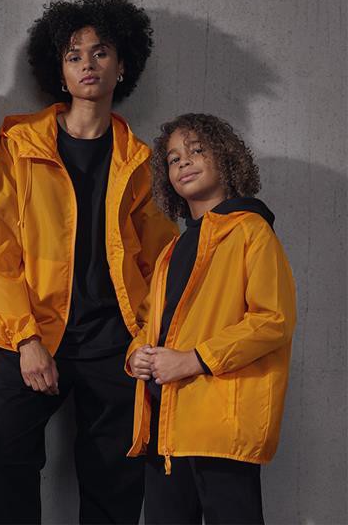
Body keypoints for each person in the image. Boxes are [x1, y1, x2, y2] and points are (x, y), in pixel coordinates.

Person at [0, 0, 178, 524]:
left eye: (100, 52)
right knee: (6, 464)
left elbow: (160, 260)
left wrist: (147, 339)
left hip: (115, 341)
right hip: (32, 332)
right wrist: (25, 340)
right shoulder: (19, 146)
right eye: (74, 55)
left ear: (122, 66)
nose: (88, 64)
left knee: (116, 477)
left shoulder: (141, 161)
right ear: (60, 73)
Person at [127, 114, 296, 525]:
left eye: (197, 150)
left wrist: (193, 359)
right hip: (166, 429)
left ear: (226, 158)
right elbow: (151, 321)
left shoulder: (251, 232)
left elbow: (273, 319)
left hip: (222, 428)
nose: (183, 162)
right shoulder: (172, 250)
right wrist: (137, 355)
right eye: (173, 158)